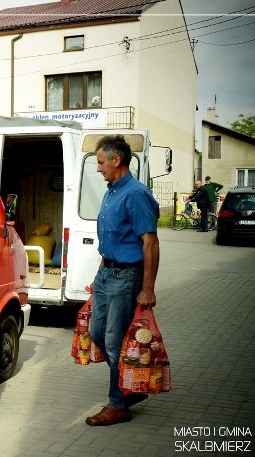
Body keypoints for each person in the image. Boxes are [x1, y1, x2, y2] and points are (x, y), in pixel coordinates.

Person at [87, 135, 160, 426]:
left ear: (117, 160)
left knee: (115, 341)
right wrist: (99, 273)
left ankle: (119, 403)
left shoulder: (135, 193)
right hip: (107, 272)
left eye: (101, 162)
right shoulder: (112, 191)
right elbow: (111, 236)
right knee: (97, 333)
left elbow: (150, 243)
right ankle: (129, 386)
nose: (98, 168)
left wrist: (148, 288)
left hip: (126, 276)